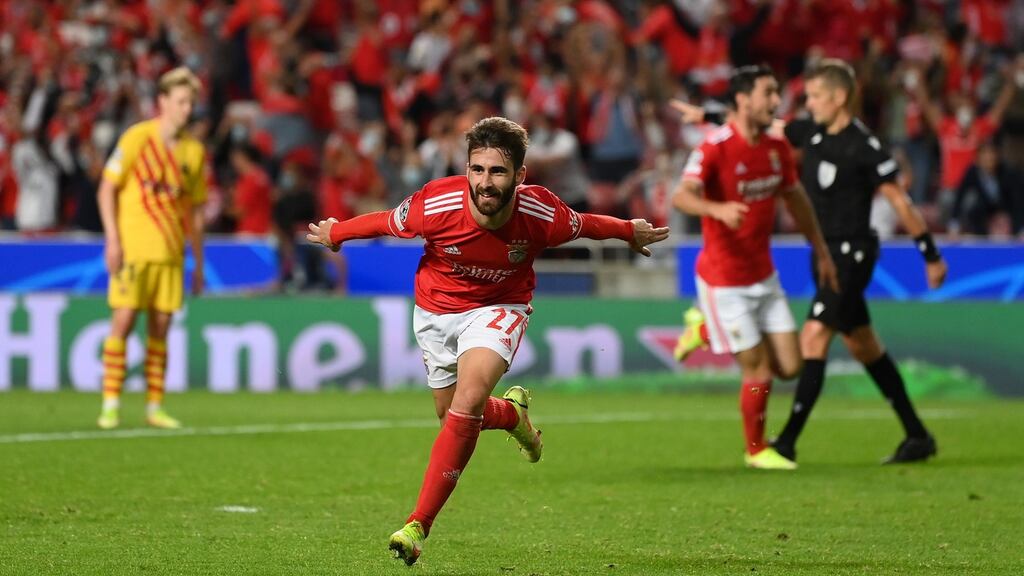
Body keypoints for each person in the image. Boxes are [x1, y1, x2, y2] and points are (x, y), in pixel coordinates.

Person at [306, 116, 669, 565]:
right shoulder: (435, 203)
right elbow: (385, 221)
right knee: (451, 414)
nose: (485, 182)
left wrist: (629, 231)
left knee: (469, 398)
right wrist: (336, 233)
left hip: (501, 306)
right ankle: (514, 415)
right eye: (477, 169)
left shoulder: (541, 213)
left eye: (497, 172)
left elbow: (585, 224)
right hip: (437, 311)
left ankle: (417, 524)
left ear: (519, 175)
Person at [673, 59, 949, 464]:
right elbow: (765, 124)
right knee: (865, 346)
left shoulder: (864, 146)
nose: (806, 103)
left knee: (813, 341)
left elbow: (897, 200)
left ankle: (783, 443)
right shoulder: (810, 134)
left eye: (815, 96)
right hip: (816, 255)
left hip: (852, 255)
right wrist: (712, 114)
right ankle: (917, 434)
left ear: (838, 98)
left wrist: (930, 253)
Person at [670, 65, 838, 471]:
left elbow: (796, 200)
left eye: (777, 92)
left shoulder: (777, 150)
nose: (776, 101)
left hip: (764, 275)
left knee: (791, 366)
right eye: (768, 92)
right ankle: (757, 449)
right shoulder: (714, 148)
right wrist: (717, 208)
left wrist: (821, 249)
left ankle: (705, 329)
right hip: (723, 279)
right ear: (743, 100)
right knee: (758, 367)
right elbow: (682, 197)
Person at [96, 67, 207, 430]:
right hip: (133, 250)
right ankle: (110, 403)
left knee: (160, 329)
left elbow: (194, 211)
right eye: (181, 101)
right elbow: (106, 189)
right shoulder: (136, 138)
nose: (187, 109)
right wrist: (112, 239)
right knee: (124, 322)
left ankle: (154, 406)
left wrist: (200, 263)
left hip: (171, 254)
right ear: (162, 101)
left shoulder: (194, 151)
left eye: (191, 102)